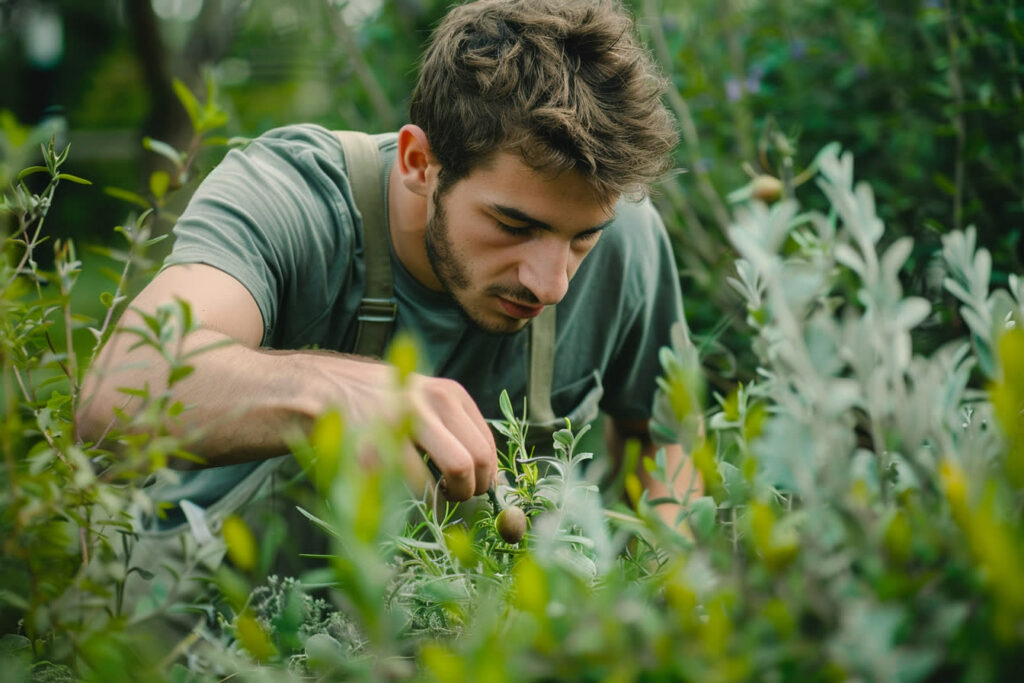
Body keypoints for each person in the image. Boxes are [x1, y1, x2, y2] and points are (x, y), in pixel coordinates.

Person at [77, 0, 700, 548]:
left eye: (582, 237)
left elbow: (666, 437)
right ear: (418, 162)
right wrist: (331, 396)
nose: (551, 284)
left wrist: (672, 584)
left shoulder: (628, 239)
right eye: (514, 226)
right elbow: (119, 393)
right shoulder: (293, 197)